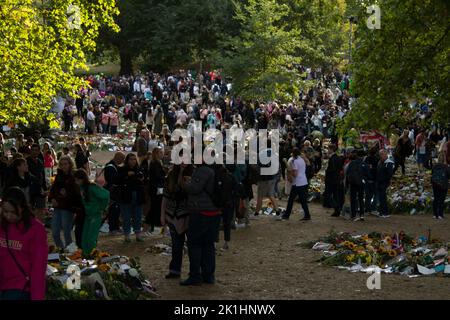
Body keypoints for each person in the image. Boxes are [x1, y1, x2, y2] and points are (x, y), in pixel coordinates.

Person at [0, 187, 47, 300]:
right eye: (5, 211)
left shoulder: (35, 229)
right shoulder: (2, 225)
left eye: (13, 212)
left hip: (20, 287)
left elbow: (38, 267)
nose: (9, 216)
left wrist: (37, 297)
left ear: (22, 208)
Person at [181, 159, 220, 286]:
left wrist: (185, 183)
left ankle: (195, 276)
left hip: (201, 212)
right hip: (214, 211)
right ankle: (209, 276)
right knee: (208, 245)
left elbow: (194, 189)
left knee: (195, 244)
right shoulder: (215, 169)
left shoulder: (202, 170)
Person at [160, 164, 193, 279]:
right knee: (176, 245)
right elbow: (165, 196)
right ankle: (175, 270)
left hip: (189, 215)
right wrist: (162, 215)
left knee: (192, 245)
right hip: (172, 215)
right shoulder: (170, 176)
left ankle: (194, 271)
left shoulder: (194, 173)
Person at [48, 156, 82, 249]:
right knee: (55, 232)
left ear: (70, 164)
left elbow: (77, 192)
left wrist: (66, 193)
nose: (63, 166)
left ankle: (69, 251)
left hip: (68, 207)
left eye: (65, 164)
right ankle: (61, 249)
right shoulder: (59, 175)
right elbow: (53, 189)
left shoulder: (74, 176)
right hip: (57, 206)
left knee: (67, 232)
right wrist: (52, 198)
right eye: (61, 164)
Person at [74, 169, 110, 256]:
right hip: (88, 215)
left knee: (91, 237)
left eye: (78, 180)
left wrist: (101, 208)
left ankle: (91, 254)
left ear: (82, 179)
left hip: (95, 215)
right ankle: (86, 254)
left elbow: (105, 195)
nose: (76, 182)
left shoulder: (92, 187)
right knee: (85, 236)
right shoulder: (82, 188)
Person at [118, 153, 145, 242]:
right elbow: (118, 180)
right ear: (127, 160)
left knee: (138, 216)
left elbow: (142, 179)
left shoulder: (139, 169)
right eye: (131, 159)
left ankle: (138, 233)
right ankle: (127, 234)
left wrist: (139, 177)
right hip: (126, 196)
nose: (133, 161)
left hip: (137, 195)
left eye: (134, 159)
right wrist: (127, 175)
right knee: (126, 217)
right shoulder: (122, 169)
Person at [280, 148, 311, 221]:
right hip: (303, 182)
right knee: (303, 200)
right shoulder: (302, 160)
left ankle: (287, 215)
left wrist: (290, 171)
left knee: (291, 200)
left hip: (297, 183)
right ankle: (307, 215)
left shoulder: (295, 162)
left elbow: (295, 174)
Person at [103, 152, 125, 235]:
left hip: (115, 192)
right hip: (112, 193)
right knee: (113, 210)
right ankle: (112, 229)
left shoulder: (113, 166)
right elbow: (112, 180)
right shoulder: (110, 167)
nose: (123, 161)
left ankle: (116, 227)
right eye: (122, 159)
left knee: (116, 210)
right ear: (118, 158)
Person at [145, 147, 165, 234]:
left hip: (156, 188)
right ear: (157, 154)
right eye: (160, 152)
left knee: (155, 207)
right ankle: (148, 225)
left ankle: (150, 226)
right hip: (156, 188)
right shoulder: (155, 163)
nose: (162, 154)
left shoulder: (156, 163)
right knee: (155, 207)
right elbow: (157, 177)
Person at [346, 150, 369, 221]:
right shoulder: (364, 164)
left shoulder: (351, 163)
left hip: (353, 183)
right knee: (361, 198)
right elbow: (368, 174)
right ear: (363, 156)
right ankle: (362, 214)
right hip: (361, 183)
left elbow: (348, 173)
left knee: (353, 199)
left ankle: (353, 215)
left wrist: (347, 183)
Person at [326, 144, 345, 217]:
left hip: (332, 179)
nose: (328, 150)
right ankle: (336, 210)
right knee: (335, 195)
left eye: (328, 149)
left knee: (328, 195)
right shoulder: (337, 157)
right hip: (336, 179)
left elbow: (333, 169)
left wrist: (328, 172)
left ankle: (336, 207)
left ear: (331, 149)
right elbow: (340, 168)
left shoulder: (333, 158)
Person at [375, 149, 395, 218]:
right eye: (380, 154)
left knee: (383, 198)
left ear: (386, 154)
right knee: (381, 198)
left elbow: (389, 174)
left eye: (382, 154)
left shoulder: (389, 163)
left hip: (384, 183)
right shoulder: (380, 162)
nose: (381, 155)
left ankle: (385, 212)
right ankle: (382, 212)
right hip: (379, 183)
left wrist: (385, 182)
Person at [431, 154, 449, 219]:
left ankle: (435, 214)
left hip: (435, 184)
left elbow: (432, 174)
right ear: (444, 159)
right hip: (443, 185)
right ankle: (440, 214)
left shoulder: (434, 166)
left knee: (436, 199)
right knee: (441, 199)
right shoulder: (446, 167)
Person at [364, 146, 379, 214]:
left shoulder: (366, 159)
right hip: (375, 179)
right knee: (375, 195)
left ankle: (367, 209)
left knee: (368, 195)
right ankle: (373, 209)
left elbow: (364, 168)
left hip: (367, 179)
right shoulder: (377, 159)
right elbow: (378, 169)